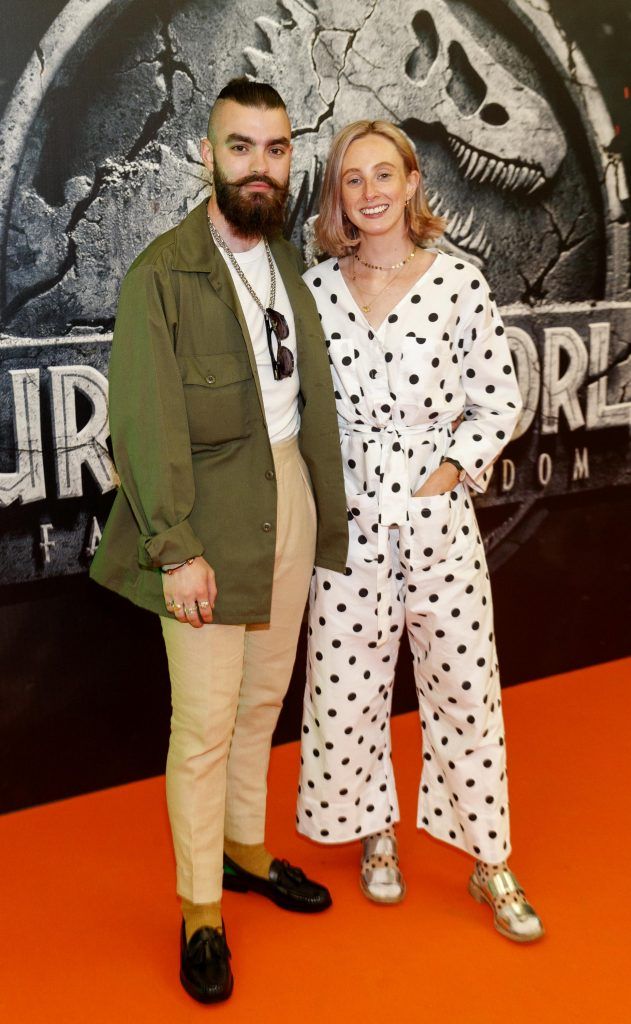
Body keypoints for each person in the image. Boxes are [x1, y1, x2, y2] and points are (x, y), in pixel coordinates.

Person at [90, 78, 348, 1003]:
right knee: (201, 727)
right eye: (240, 147)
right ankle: (201, 910)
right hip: (202, 517)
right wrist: (178, 545)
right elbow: (143, 428)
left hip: (291, 499)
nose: (260, 167)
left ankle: (246, 850)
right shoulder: (160, 273)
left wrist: (318, 509)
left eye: (276, 149)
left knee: (260, 701)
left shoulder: (287, 267)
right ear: (207, 154)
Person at [296, 119, 544, 942]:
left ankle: (489, 859)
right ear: (339, 196)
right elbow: (295, 410)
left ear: (410, 183)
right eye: (351, 179)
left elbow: (497, 400)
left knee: (467, 693)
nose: (368, 192)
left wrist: (441, 478)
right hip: (350, 527)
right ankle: (375, 833)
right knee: (345, 689)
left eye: (382, 175)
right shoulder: (317, 292)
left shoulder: (459, 283)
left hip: (438, 525)